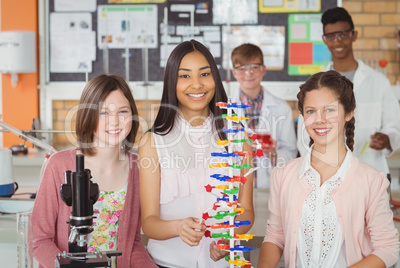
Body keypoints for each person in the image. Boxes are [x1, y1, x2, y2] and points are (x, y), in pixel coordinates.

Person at [258, 70, 400, 268]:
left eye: (330, 110)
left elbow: (388, 248)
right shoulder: (283, 174)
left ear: (348, 113)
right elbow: (275, 235)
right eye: (311, 111)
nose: (320, 119)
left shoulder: (371, 181)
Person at [138, 40, 254, 268]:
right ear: (172, 81)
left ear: (215, 79)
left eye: (204, 74)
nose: (197, 85)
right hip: (166, 264)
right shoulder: (153, 142)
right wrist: (177, 228)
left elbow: (247, 211)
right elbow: (148, 223)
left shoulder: (238, 137)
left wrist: (228, 238)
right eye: (184, 76)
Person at [32, 74, 156, 268]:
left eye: (123, 111)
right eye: (104, 113)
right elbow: (39, 241)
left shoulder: (138, 168)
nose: (115, 122)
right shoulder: (58, 165)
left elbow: (133, 244)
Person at [297, 7, 400, 181]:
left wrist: (388, 139)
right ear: (324, 40)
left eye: (343, 34)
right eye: (331, 36)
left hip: (372, 172)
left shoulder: (378, 82)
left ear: (354, 35)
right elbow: (303, 135)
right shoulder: (315, 85)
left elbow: (395, 127)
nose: (337, 41)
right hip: (328, 176)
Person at [230, 43, 297, 189]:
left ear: (263, 70)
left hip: (269, 188)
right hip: (234, 189)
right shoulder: (225, 110)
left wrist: (274, 154)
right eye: (242, 68)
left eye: (254, 67)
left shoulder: (282, 108)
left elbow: (290, 154)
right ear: (234, 72)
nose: (248, 73)